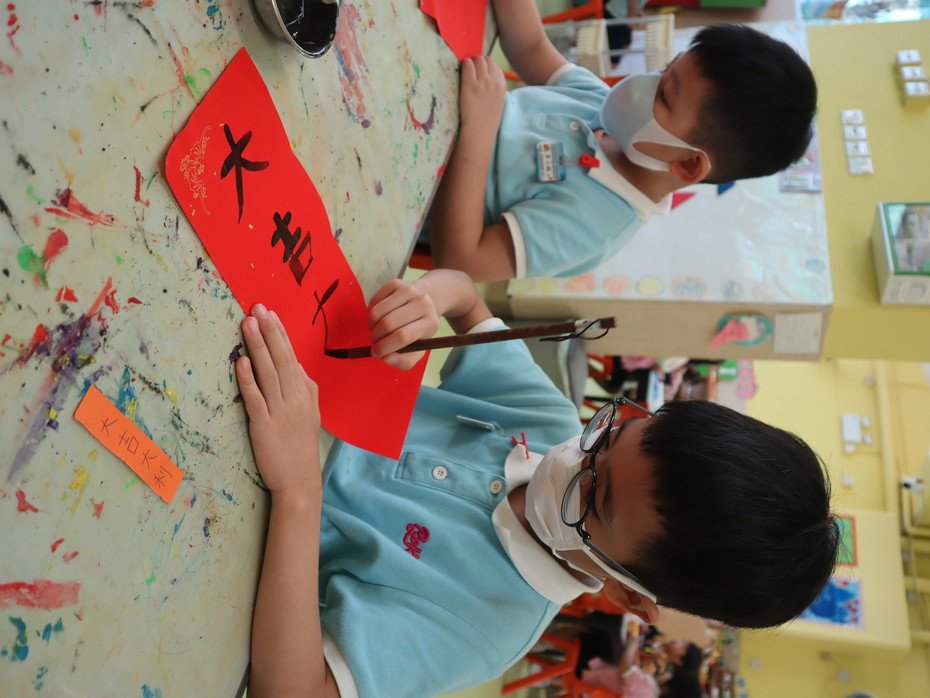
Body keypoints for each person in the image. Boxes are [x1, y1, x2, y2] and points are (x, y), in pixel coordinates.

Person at [238, 269, 838, 697]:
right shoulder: (550, 425)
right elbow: (467, 298)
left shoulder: (485, 626)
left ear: (628, 596)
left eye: (593, 499)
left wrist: (298, 491)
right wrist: (427, 300)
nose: (571, 458)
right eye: (611, 433)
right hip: (279, 389)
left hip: (239, 525)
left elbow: (292, 691)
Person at [428, 0, 818, 281]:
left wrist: (479, 128)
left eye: (664, 94)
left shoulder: (594, 224)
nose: (643, 83)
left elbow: (460, 261)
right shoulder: (601, 107)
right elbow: (530, 46)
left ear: (688, 164)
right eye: (664, 70)